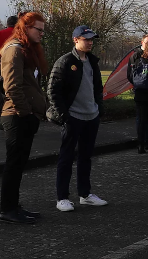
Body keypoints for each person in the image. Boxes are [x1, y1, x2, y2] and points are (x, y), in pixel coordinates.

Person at [48, 25, 108, 212]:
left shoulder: (92, 61)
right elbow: (53, 91)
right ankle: (62, 198)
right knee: (66, 157)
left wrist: (98, 108)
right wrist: (64, 115)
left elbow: (97, 88)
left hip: (92, 117)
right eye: (86, 39)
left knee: (86, 157)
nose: (90, 42)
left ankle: (85, 194)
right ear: (75, 40)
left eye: (91, 39)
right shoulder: (65, 62)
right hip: (73, 117)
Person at [0, 12, 49, 224]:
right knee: (14, 164)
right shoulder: (14, 50)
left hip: (25, 116)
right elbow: (11, 86)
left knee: (18, 165)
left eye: (43, 30)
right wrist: (26, 113)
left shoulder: (26, 50)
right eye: (38, 29)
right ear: (26, 28)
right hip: (16, 116)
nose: (41, 34)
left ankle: (14, 206)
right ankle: (7, 209)